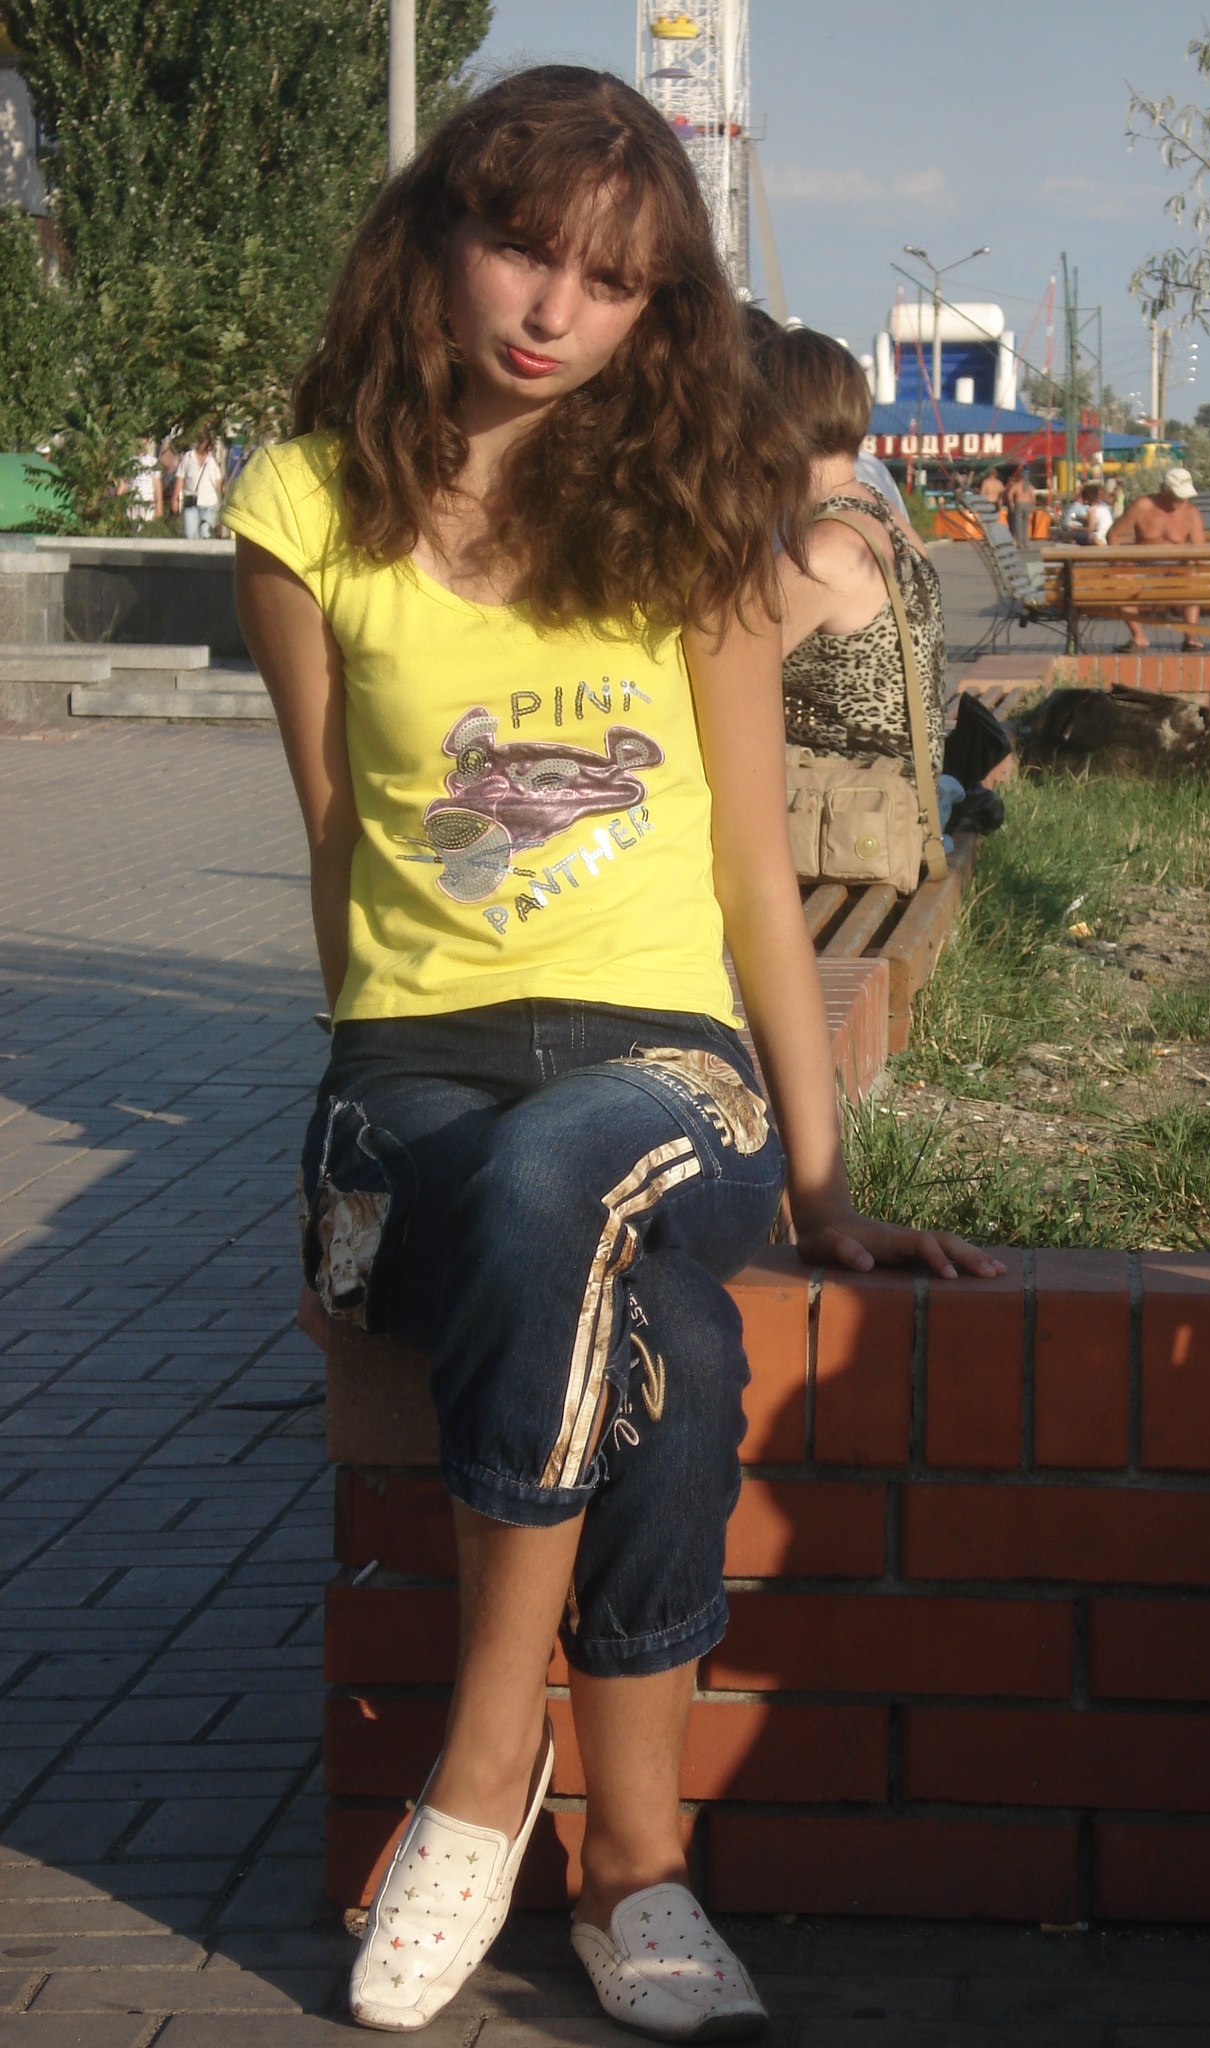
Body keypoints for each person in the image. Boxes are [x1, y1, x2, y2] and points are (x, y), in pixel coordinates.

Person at [223, 67, 1000, 2042]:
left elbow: (749, 873)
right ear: (436, 237)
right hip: (416, 1066)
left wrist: (821, 1180)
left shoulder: (683, 524)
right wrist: (341, 1198)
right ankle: (636, 1872)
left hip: (670, 1074)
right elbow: (342, 843)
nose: (554, 310)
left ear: (663, 310)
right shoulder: (303, 508)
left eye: (613, 279)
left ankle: (486, 1763)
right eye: (521, 249)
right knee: (677, 1347)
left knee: (562, 1166)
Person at [753, 324, 946, 789]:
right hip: (898, 805)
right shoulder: (890, 524)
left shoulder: (821, 556)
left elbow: (721, 679)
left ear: (769, 427)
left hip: (836, 814)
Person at [1105, 465, 1205, 649]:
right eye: (1176, 496)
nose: (1180, 501)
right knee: (1119, 582)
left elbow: (1200, 551)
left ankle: (1190, 636)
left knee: (1193, 580)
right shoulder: (1143, 506)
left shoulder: (1191, 513)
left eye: (1183, 497)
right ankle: (1139, 636)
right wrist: (1119, 564)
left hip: (1176, 569)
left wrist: (1191, 565)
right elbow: (1114, 534)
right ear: (1163, 489)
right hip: (1143, 567)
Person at [178, 434, 223, 539]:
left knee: (205, 534)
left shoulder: (212, 460)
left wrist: (221, 498)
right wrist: (176, 498)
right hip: (191, 500)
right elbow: (180, 477)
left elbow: (218, 480)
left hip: (209, 502)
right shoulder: (188, 457)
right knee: (190, 534)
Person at [124, 436, 162, 523]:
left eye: (144, 444)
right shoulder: (129, 461)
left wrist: (159, 505)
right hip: (132, 503)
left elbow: (157, 484)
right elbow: (125, 482)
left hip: (148, 502)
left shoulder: (152, 461)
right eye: (139, 444)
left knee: (146, 526)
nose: (141, 447)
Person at [1064, 479, 1111, 546]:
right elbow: (1092, 519)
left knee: (1075, 535)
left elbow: (1090, 529)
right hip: (1108, 535)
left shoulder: (1091, 510)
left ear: (1086, 498)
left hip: (1100, 536)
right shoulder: (1104, 507)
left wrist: (1075, 527)